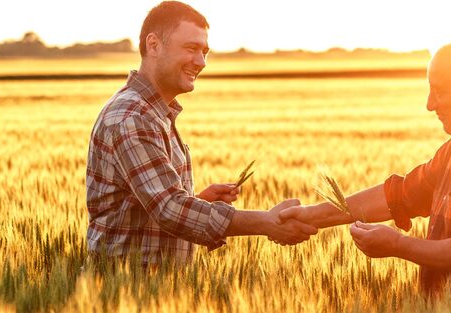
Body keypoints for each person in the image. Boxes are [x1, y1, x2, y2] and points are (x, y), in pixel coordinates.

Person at [280, 39, 451, 294]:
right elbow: (399, 195)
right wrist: (312, 216)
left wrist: (398, 246)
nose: (429, 104)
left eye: (438, 91)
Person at [85, 1, 317, 266]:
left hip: (151, 289)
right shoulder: (132, 118)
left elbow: (148, 206)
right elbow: (170, 209)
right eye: (191, 48)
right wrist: (266, 222)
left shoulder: (153, 113)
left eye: (205, 51)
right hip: (126, 293)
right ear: (153, 45)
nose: (201, 62)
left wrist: (198, 201)